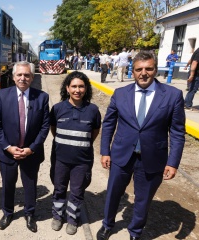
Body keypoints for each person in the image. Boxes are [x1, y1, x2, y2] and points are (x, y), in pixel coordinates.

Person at [97, 51, 186, 240]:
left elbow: (177, 132)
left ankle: (135, 232)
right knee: (113, 193)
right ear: (133, 70)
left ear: (155, 69)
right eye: (139, 69)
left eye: (149, 68)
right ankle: (107, 224)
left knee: (143, 199)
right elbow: (109, 124)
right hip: (121, 155)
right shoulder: (120, 94)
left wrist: (173, 163)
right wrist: (105, 151)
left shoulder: (172, 95)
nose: (143, 73)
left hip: (153, 158)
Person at [0, 61, 50, 233]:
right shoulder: (2, 95)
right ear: (13, 76)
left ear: (32, 77)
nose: (23, 78)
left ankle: (30, 213)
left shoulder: (42, 97)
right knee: (8, 183)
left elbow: (45, 126)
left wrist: (31, 148)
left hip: (30, 152)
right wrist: (7, 147)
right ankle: (8, 212)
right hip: (8, 152)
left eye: (27, 75)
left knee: (30, 184)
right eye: (19, 75)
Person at [49, 71, 101, 235]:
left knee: (77, 192)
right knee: (59, 189)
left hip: (82, 161)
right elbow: (53, 130)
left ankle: (72, 219)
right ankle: (57, 216)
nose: (77, 90)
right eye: (74, 86)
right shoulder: (57, 108)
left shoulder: (92, 110)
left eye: (81, 86)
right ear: (67, 88)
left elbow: (94, 132)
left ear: (86, 88)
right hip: (60, 160)